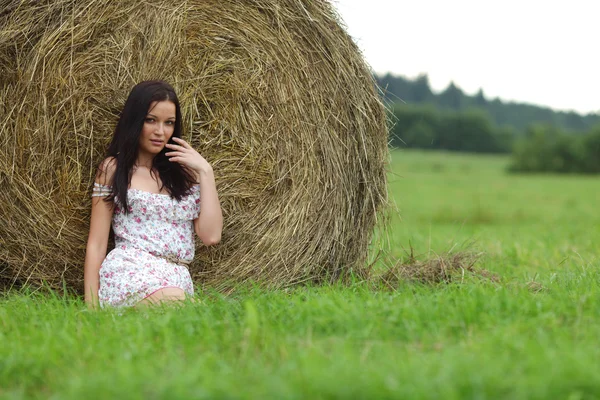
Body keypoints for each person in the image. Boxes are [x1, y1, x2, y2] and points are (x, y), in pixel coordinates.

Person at [83, 80, 223, 309]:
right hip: (130, 271)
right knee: (194, 312)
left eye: (169, 123)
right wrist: (91, 309)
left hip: (177, 277)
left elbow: (211, 236)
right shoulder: (113, 169)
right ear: (135, 121)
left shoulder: (185, 175)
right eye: (151, 120)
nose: (160, 131)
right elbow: (97, 244)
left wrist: (206, 172)